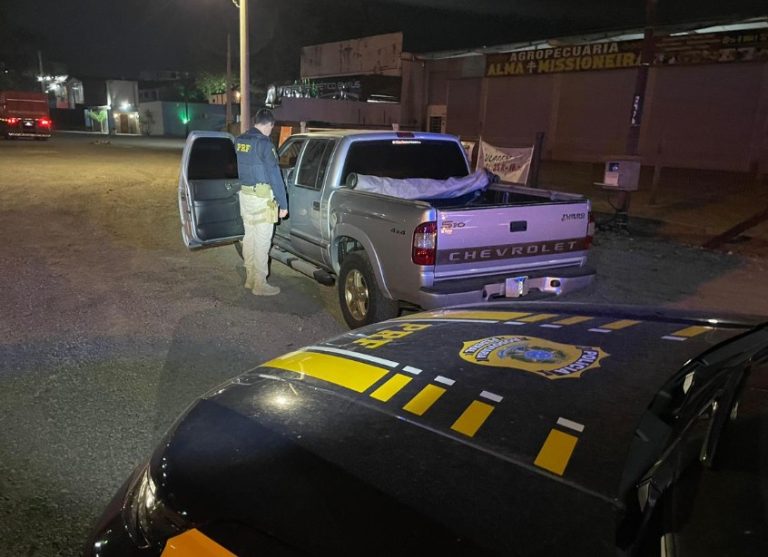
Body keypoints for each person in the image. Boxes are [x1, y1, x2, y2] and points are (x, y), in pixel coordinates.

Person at [235, 108, 289, 296]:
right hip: (261, 200)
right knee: (262, 241)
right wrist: (283, 204)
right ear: (269, 125)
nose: (270, 131)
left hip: (245, 197)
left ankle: (250, 278)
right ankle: (260, 284)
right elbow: (275, 175)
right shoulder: (265, 144)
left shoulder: (240, 140)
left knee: (248, 238)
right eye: (271, 128)